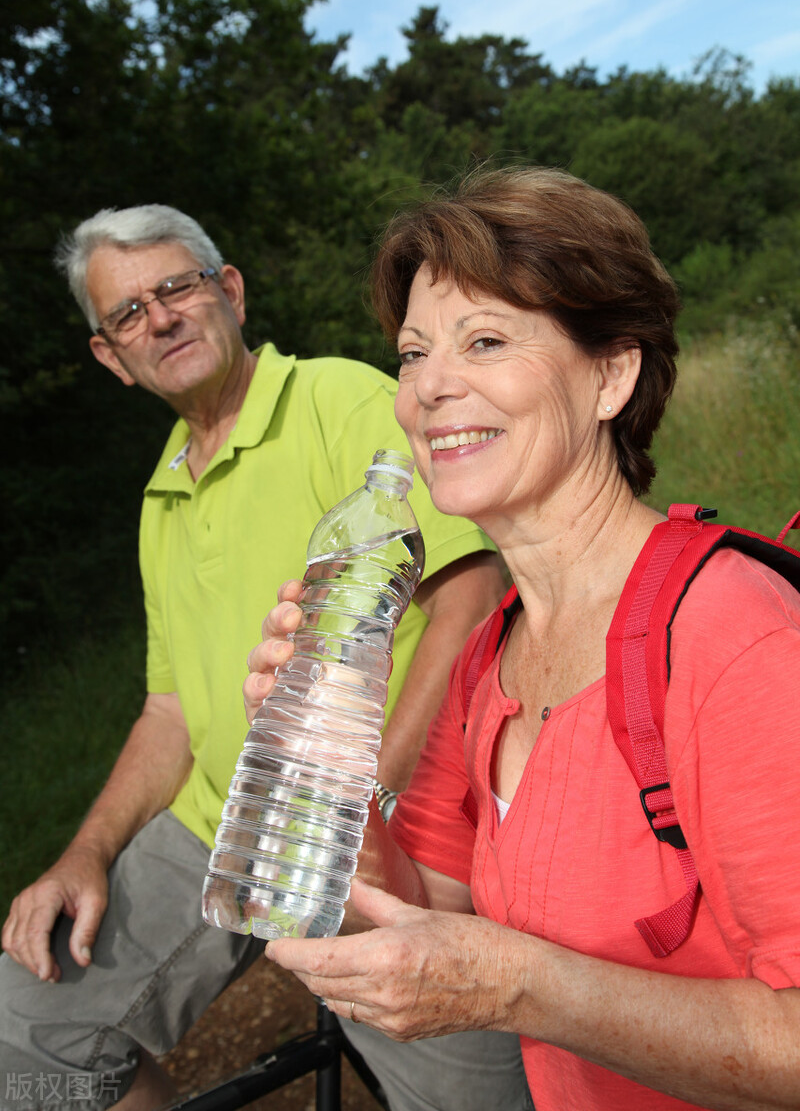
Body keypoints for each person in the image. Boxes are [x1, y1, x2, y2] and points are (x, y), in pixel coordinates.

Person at [245, 166, 800, 1111]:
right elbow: (426, 907)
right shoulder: (488, 660)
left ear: (612, 375)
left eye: (486, 341)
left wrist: (519, 987)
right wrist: (324, 766)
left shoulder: (735, 640)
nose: (429, 388)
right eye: (412, 353)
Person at [0, 205, 529, 1111]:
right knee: (23, 1033)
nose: (160, 318)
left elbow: (472, 595)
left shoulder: (340, 399)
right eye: (128, 313)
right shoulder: (161, 493)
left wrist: (367, 802)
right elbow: (169, 713)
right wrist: (85, 853)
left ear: (231, 293)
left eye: (176, 286)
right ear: (110, 356)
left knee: (471, 1097)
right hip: (221, 824)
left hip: (374, 824)